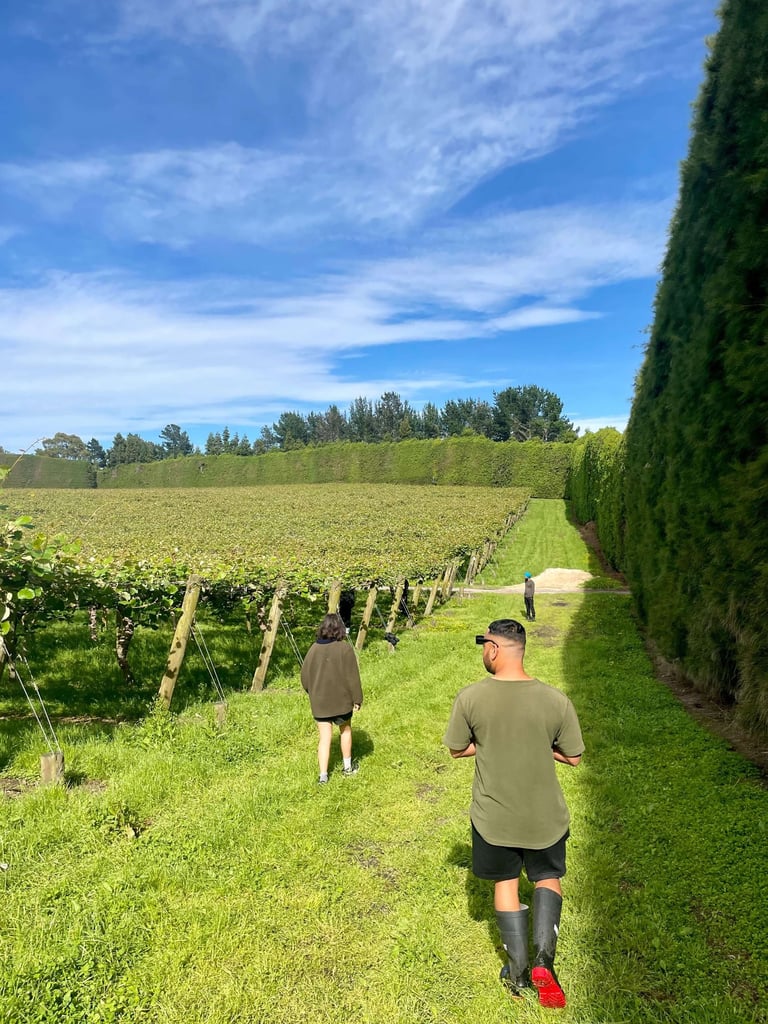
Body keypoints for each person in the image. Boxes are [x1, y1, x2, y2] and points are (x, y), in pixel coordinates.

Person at [443, 619, 584, 1009]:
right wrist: (543, 747)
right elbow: (573, 756)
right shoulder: (556, 700)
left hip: (494, 819)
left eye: (483, 647)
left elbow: (457, 749)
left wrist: (486, 746)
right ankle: (544, 961)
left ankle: (518, 970)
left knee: (506, 883)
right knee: (547, 877)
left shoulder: (470, 698)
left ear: (494, 649)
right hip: (545, 817)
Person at [301, 613, 363, 784]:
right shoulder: (344, 649)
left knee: (324, 738)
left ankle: (323, 776)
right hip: (342, 701)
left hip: (320, 702)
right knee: (345, 730)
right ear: (340, 629)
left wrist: (313, 692)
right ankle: (348, 768)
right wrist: (357, 699)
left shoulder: (313, 649)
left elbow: (305, 678)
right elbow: (353, 678)